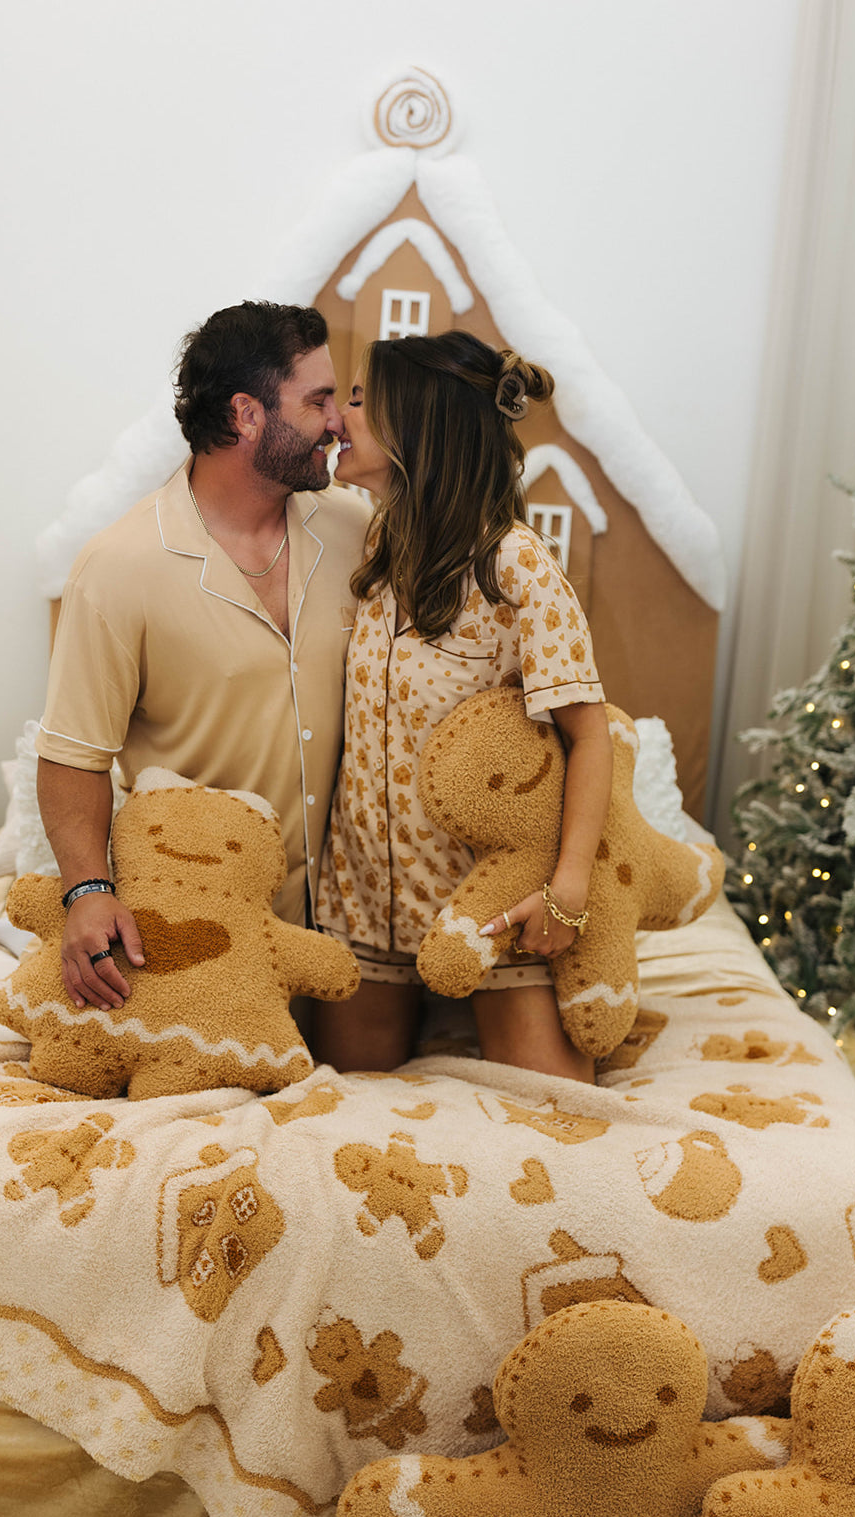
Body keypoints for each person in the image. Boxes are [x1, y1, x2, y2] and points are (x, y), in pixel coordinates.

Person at [36, 301, 369, 1013]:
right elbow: (73, 756)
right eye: (317, 400)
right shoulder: (118, 568)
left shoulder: (356, 529)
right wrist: (87, 892)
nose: (337, 421)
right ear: (247, 414)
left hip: (352, 940)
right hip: (197, 937)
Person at [313, 330, 613, 1082]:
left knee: (554, 1108)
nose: (337, 418)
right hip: (365, 899)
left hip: (484, 902)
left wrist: (566, 887)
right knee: (348, 1098)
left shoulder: (514, 564)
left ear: (415, 424)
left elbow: (590, 734)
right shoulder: (374, 540)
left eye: (354, 400)